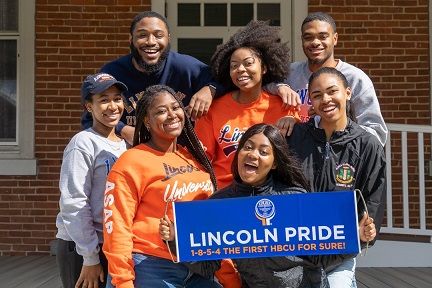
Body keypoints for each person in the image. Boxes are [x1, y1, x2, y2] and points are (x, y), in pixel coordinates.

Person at [102, 85, 222, 288]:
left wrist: (229, 278)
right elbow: (117, 226)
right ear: (147, 121)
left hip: (198, 266)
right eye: (161, 111)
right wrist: (122, 282)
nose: (171, 115)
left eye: (175, 108)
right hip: (151, 267)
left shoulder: (194, 157)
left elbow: (213, 222)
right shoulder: (132, 161)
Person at [287, 67, 386, 287]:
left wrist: (366, 232)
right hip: (295, 254)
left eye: (333, 91)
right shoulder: (295, 136)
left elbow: (373, 199)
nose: (326, 99)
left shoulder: (367, 144)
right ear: (310, 101)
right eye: (317, 95)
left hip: (338, 255)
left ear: (348, 93)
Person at [81, 11, 225, 145]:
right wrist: (123, 130)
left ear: (168, 38)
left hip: (181, 157)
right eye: (142, 35)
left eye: (158, 35)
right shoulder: (113, 72)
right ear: (131, 39)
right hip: (130, 157)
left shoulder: (187, 67)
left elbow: (231, 82)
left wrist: (211, 89)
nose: (151, 42)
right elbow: (90, 117)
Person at [194, 20, 300, 190]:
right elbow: (200, 160)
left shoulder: (284, 107)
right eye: (234, 66)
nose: (240, 70)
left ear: (264, 67)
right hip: (224, 193)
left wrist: (294, 120)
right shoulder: (213, 109)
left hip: (270, 193)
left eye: (248, 63)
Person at [266, 12, 388, 146]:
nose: (315, 42)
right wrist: (280, 87)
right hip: (297, 157)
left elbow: (376, 133)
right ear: (302, 40)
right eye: (308, 37)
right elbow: (259, 86)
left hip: (339, 159)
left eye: (323, 37)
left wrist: (332, 123)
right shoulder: (290, 73)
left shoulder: (355, 78)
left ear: (335, 39)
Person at [56, 73, 128, 288]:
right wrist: (90, 257)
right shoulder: (83, 143)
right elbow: (74, 203)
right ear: (89, 107)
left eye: (117, 98)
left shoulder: (127, 145)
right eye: (103, 100)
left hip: (114, 244)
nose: (113, 106)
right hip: (83, 247)